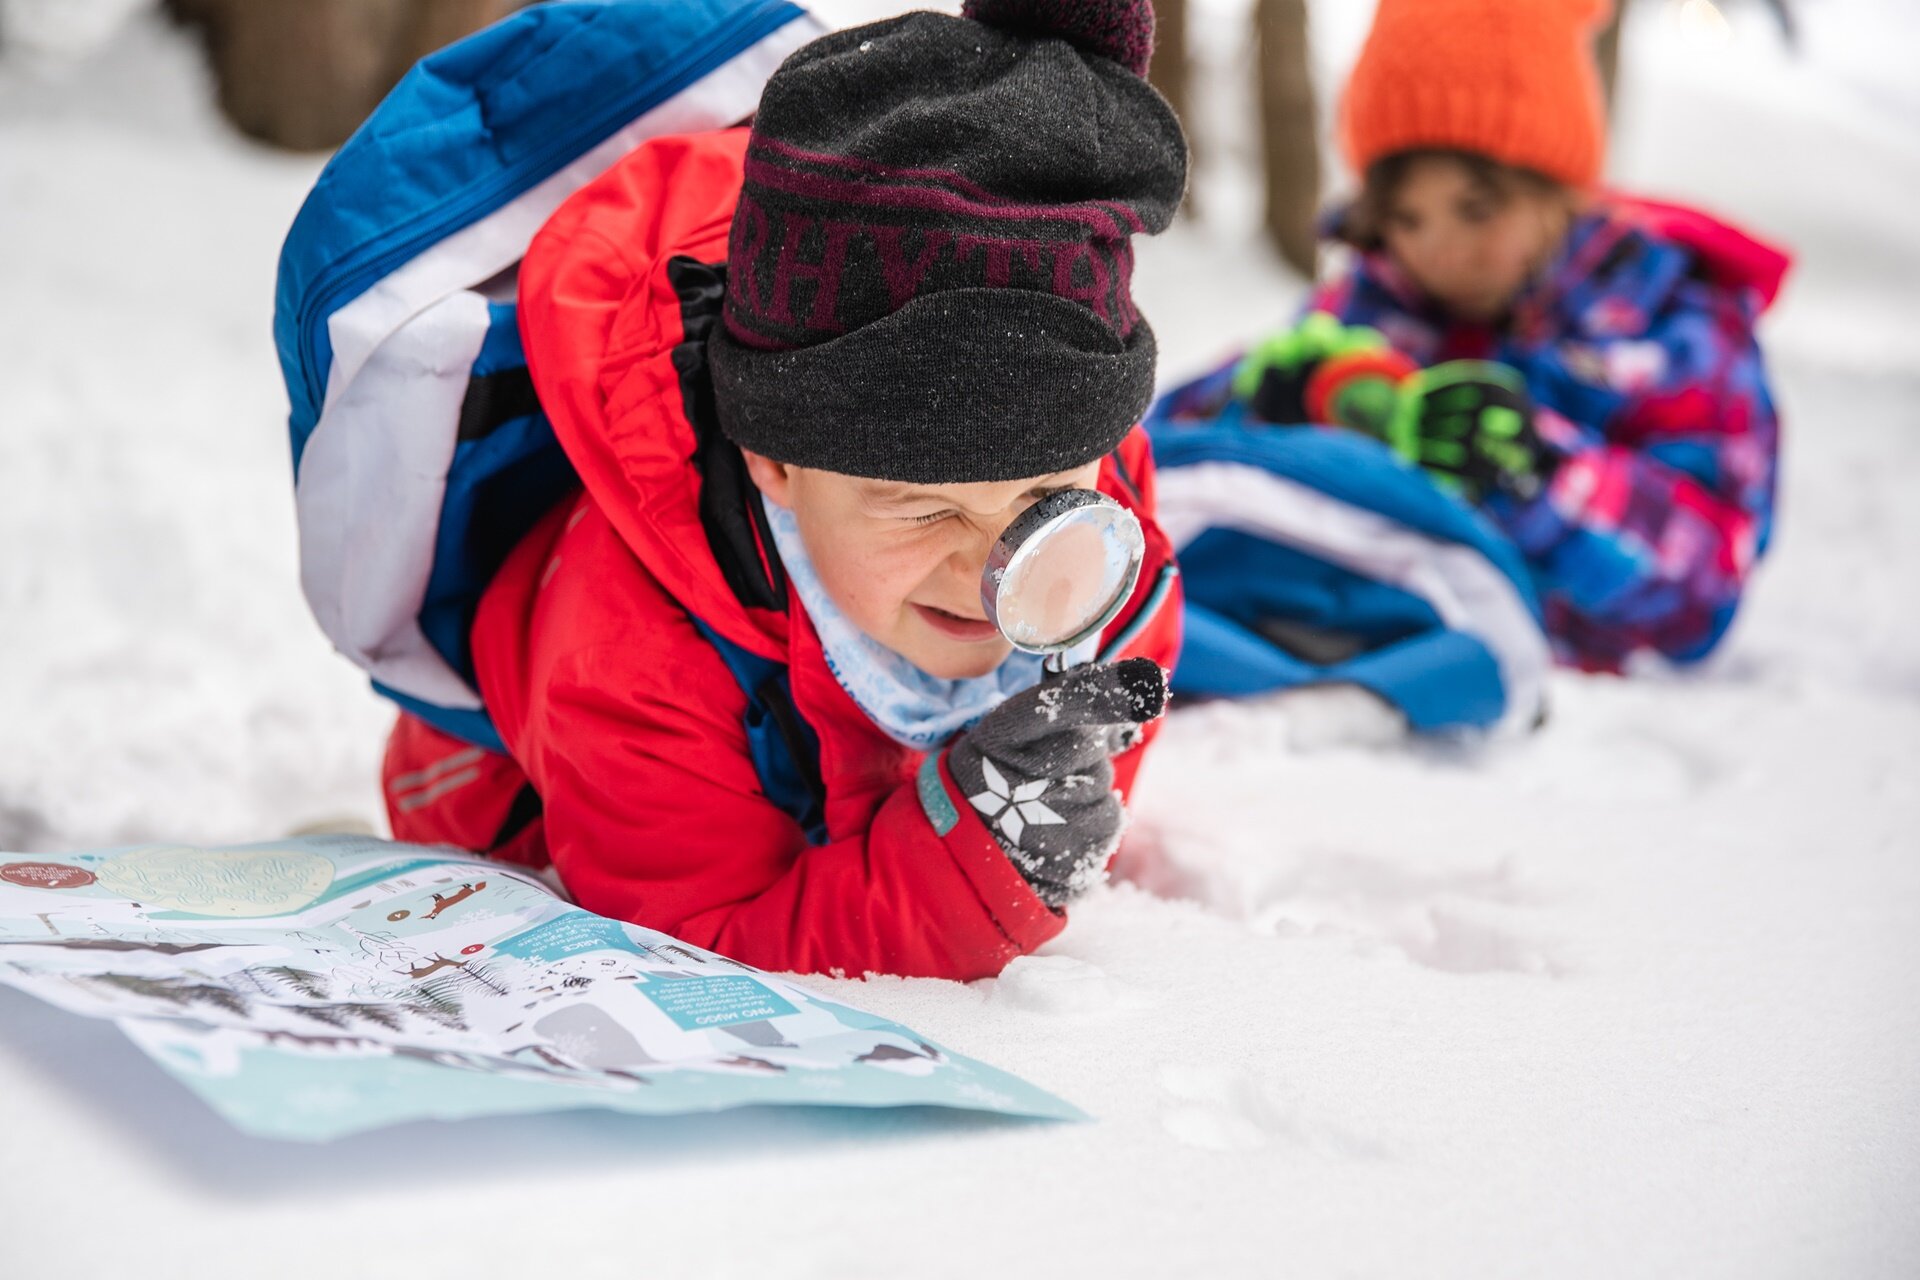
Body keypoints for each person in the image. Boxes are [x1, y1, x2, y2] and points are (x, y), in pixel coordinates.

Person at [380, 0, 1188, 980]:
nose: (992, 568)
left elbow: (1079, 765)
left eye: (1043, 496)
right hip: (548, 822)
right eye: (926, 506)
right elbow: (697, 947)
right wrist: (979, 865)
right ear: (774, 462)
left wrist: (1048, 796)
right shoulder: (632, 657)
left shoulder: (1112, 555)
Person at [1152, 0, 1789, 672]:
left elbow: (1705, 597)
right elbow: (1156, 461)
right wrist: (1262, 400)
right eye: (1406, 218)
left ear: (1554, 192)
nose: (1439, 251)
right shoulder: (1374, 301)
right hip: (1361, 647)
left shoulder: (1672, 324)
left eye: (1475, 211)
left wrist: (1540, 473)